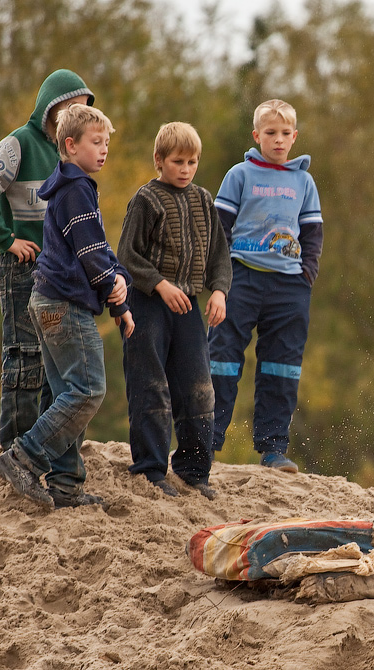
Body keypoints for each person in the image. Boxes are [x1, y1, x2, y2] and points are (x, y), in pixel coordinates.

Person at [0, 104, 135, 510]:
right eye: (96, 142)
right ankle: (23, 458)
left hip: (47, 302)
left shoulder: (72, 186)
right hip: (63, 306)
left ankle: (66, 486)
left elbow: (99, 247)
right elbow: (92, 253)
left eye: (107, 143)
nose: (104, 150)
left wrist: (118, 278)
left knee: (65, 394)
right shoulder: (76, 190)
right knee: (88, 390)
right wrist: (112, 286)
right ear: (70, 145)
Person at [0, 69, 94, 454]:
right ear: (51, 107)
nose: (78, 114)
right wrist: (6, 240)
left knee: (63, 365)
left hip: (63, 273)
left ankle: (48, 450)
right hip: (25, 268)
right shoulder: (19, 142)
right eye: (72, 107)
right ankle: (14, 446)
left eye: (84, 110)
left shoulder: (72, 151)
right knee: (25, 357)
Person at [208, 99, 324, 473]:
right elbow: (219, 229)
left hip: (289, 286)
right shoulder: (239, 175)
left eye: (285, 134)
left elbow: (313, 232)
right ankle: (206, 441)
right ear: (257, 135)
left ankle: (273, 448)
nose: (278, 140)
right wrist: (219, 280)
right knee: (222, 358)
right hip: (241, 276)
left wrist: (307, 273)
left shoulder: (304, 181)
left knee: (282, 366)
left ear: (295, 137)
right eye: (270, 133)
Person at [117, 122, 231, 500]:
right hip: (148, 305)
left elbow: (219, 255)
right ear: (159, 161)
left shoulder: (203, 199)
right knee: (150, 386)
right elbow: (127, 256)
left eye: (192, 161)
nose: (185, 168)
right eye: (178, 161)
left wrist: (219, 292)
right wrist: (160, 284)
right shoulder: (146, 200)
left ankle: (194, 471)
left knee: (198, 387)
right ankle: (150, 469)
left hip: (188, 307)